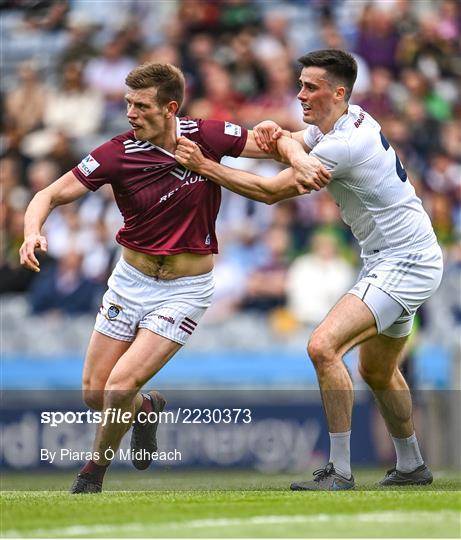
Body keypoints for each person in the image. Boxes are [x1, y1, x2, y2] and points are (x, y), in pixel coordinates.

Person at [19, 62, 330, 494]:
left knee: (118, 387)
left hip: (185, 290)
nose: (130, 113)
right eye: (127, 103)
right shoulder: (116, 152)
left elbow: (283, 146)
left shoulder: (207, 136)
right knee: (95, 393)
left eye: (141, 105)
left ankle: (91, 474)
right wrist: (33, 231)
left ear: (169, 108)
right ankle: (147, 408)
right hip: (129, 281)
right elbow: (47, 194)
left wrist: (281, 139)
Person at [175, 49, 444, 490]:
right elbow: (295, 143)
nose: (299, 94)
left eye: (310, 87)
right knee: (376, 371)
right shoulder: (347, 120)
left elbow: (268, 193)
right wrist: (278, 135)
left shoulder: (344, 143)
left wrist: (204, 165)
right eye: (299, 84)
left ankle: (338, 470)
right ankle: (412, 464)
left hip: (404, 262)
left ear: (338, 92)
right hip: (399, 257)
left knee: (322, 347)